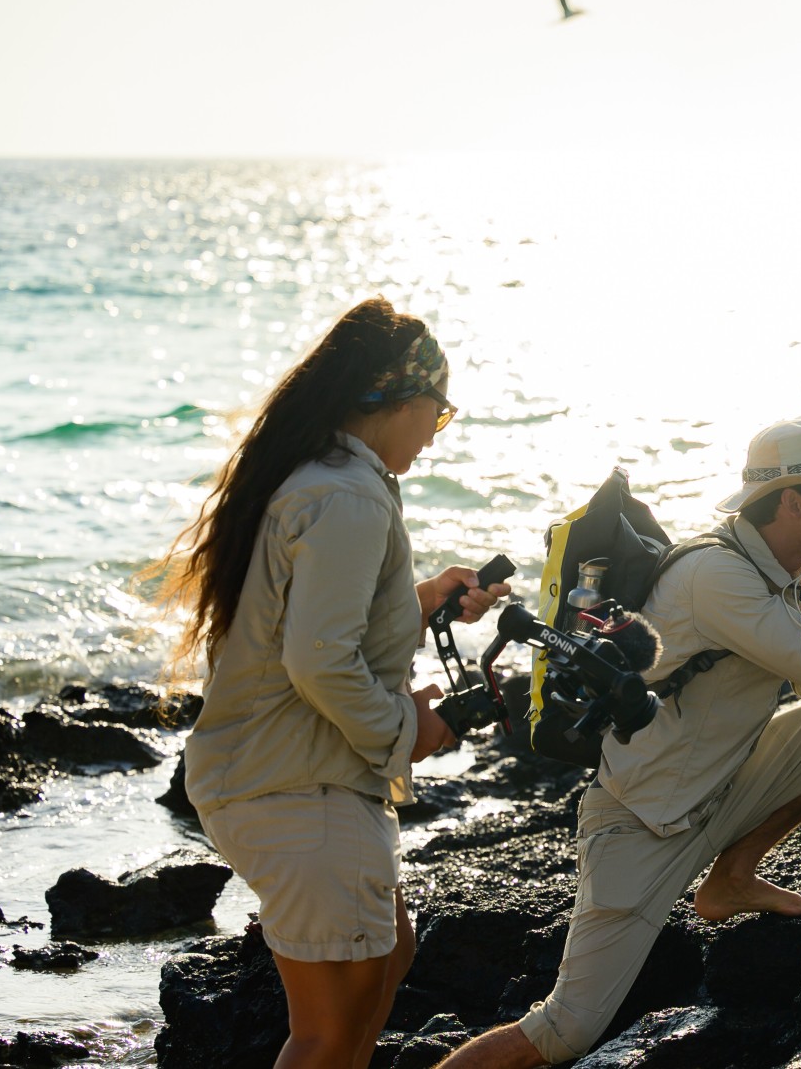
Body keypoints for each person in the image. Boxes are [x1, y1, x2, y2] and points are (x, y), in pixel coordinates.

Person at [439, 419, 801, 1068]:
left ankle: (732, 878)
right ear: (795, 500)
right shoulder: (718, 574)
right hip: (641, 824)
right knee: (563, 1032)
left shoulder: (771, 569)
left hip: (720, 791)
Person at [146, 297, 510, 1069]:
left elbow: (318, 635)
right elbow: (319, 663)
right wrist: (408, 731)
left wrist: (421, 602)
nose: (434, 435)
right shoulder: (346, 495)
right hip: (292, 786)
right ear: (398, 400)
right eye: (437, 415)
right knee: (327, 1033)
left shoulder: (331, 478)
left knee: (389, 955)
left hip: (280, 774)